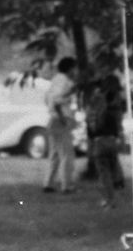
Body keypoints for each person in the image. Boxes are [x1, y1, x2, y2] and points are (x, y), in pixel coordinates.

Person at [86, 75, 125, 209]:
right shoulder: (112, 113)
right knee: (113, 171)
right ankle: (117, 193)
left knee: (103, 175)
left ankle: (109, 200)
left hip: (99, 144)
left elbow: (91, 133)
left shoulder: (93, 115)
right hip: (112, 142)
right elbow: (116, 130)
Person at [43, 57, 78, 193]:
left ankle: (48, 183)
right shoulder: (65, 82)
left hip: (53, 119)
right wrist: (62, 117)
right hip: (61, 119)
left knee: (55, 154)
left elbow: (47, 99)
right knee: (66, 154)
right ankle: (66, 185)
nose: (75, 71)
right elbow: (57, 100)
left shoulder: (55, 80)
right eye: (74, 68)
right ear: (70, 68)